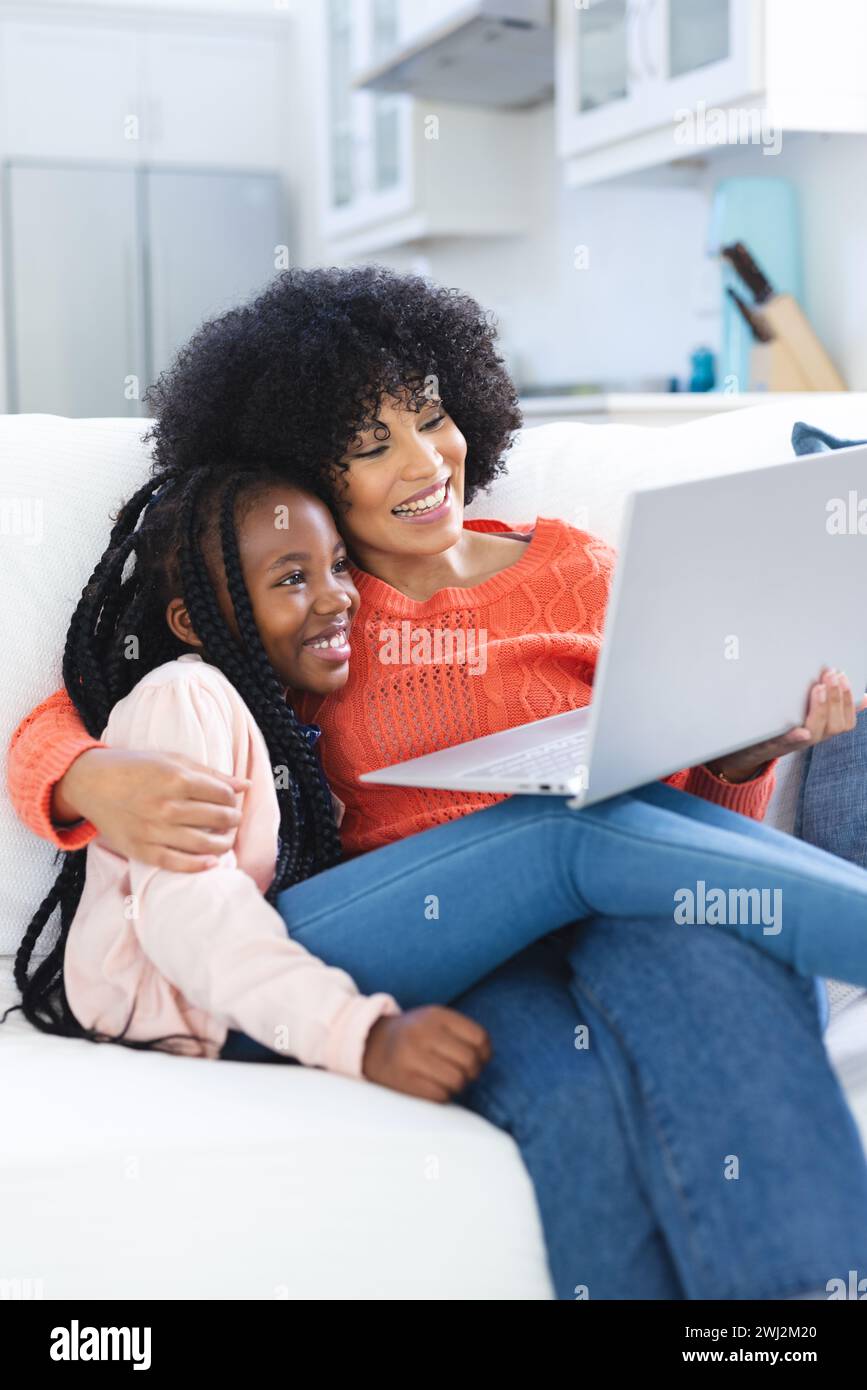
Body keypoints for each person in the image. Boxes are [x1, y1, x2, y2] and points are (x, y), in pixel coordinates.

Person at [8, 266, 867, 1299]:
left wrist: (747, 754)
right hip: (445, 942)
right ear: (299, 476)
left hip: (629, 912)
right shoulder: (299, 604)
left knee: (727, 995)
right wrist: (89, 778)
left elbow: (673, 806)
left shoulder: (584, 571)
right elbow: (93, 702)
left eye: (431, 417)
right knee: (566, 1085)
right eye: (370, 447)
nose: (426, 464)